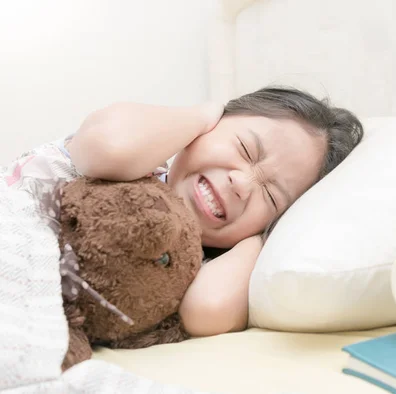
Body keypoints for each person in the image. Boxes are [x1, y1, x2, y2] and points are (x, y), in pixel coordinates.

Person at [4, 86, 364, 336]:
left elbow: (206, 312)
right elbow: (107, 149)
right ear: (214, 124)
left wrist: (259, 236)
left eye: (271, 196)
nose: (243, 183)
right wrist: (202, 114)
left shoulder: (197, 263)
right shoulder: (141, 147)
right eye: (245, 148)